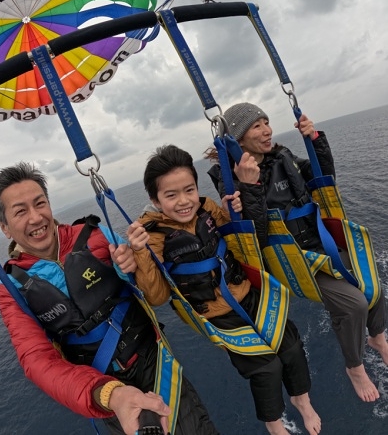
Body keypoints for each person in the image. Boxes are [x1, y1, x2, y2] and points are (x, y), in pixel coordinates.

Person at [0, 162, 219, 435]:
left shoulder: (96, 236)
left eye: (40, 204)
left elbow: (151, 290)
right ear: (4, 227)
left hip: (153, 360)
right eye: (21, 211)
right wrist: (108, 394)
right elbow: (37, 360)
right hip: (104, 386)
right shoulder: (12, 288)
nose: (36, 218)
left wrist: (132, 266)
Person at [127, 145, 321, 435]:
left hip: (245, 292)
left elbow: (237, 241)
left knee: (291, 345)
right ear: (155, 200)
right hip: (215, 314)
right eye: (171, 195)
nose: (184, 201)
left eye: (189, 190)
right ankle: (273, 422)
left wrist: (233, 214)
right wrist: (140, 253)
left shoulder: (207, 208)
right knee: (265, 367)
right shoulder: (151, 235)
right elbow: (157, 297)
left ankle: (301, 400)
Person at [205, 102, 388, 403]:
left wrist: (315, 140)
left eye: (266, 122)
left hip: (319, 241)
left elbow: (323, 177)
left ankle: (377, 337)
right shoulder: (232, 180)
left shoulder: (283, 157)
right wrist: (249, 187)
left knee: (370, 278)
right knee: (354, 305)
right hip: (290, 258)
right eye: (257, 126)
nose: (267, 130)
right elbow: (256, 236)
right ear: (238, 140)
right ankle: (355, 367)